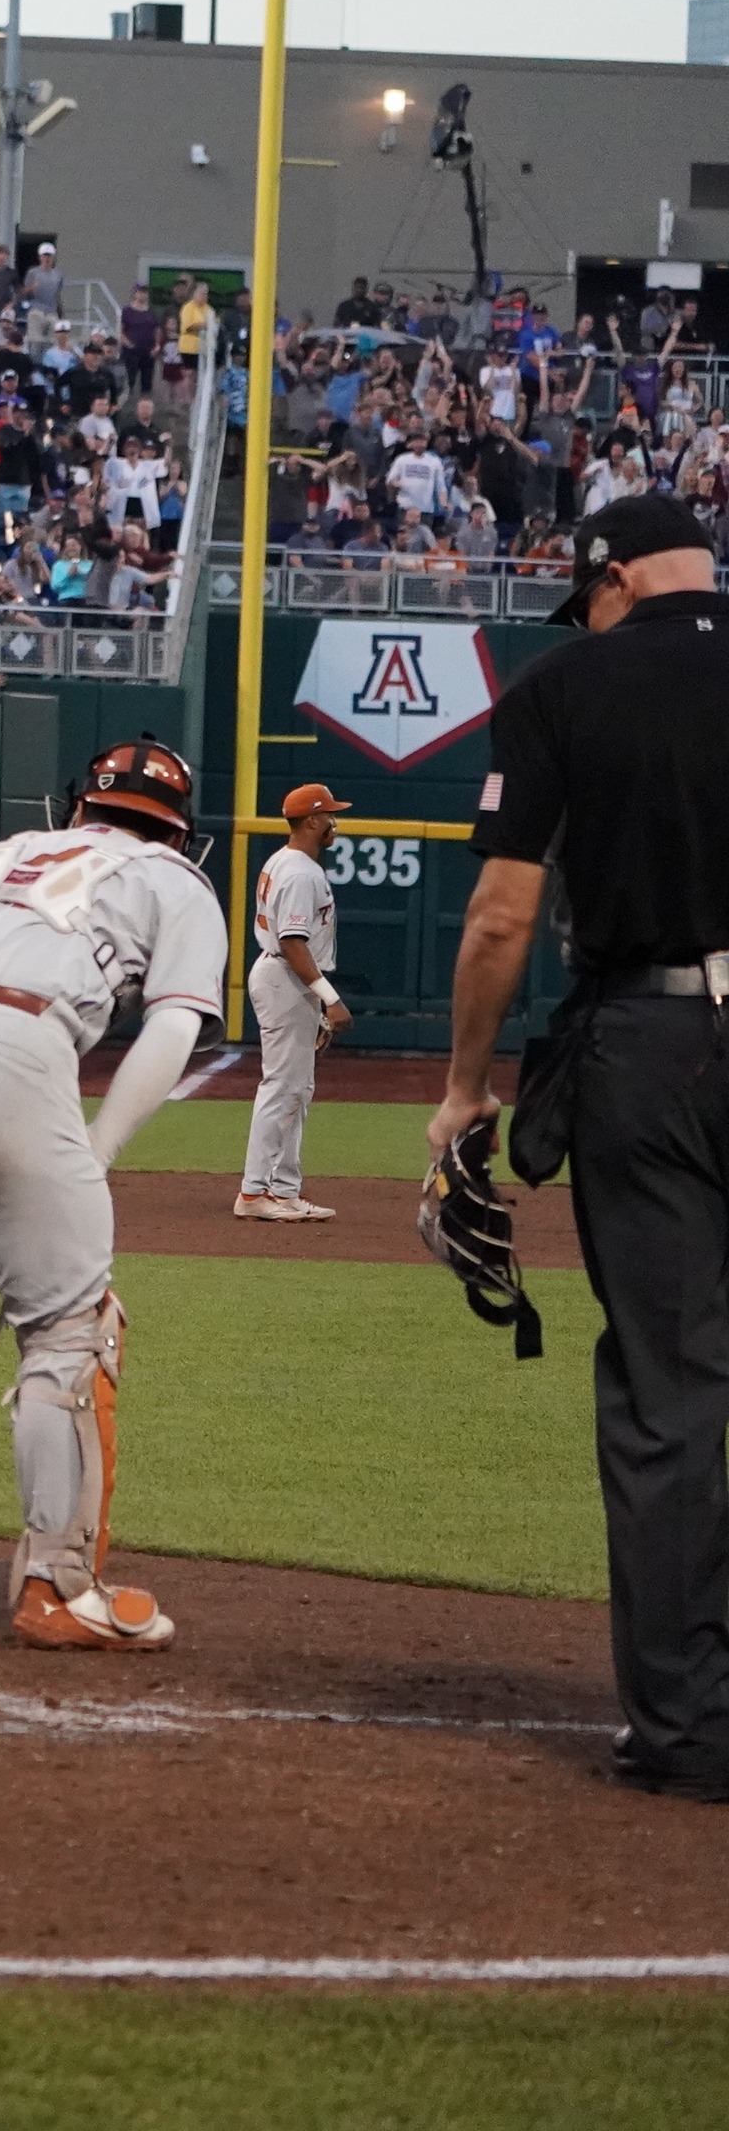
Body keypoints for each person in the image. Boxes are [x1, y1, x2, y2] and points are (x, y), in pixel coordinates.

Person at [431, 493, 729, 1801]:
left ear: (611, 583)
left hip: (653, 1051)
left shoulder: (570, 688)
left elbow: (502, 916)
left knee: (671, 1401)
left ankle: (688, 1731)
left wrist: (461, 1094)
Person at [0, 735, 225, 1654]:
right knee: (70, 1329)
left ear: (77, 810)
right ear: (182, 832)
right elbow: (177, 1022)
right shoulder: (176, 880)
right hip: (13, 1049)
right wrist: (93, 1152)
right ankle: (59, 1589)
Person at [238, 781, 354, 1223]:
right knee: (282, 1088)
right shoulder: (301, 871)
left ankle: (283, 1189)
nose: (334, 823)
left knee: (296, 1090)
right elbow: (292, 941)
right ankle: (254, 1193)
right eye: (329, 815)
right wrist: (329, 999)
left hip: (287, 979)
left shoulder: (287, 861)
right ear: (312, 820)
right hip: (286, 978)